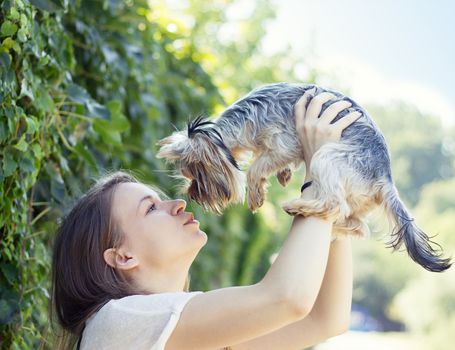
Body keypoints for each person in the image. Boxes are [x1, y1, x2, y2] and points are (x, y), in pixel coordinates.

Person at [51, 89, 361, 350]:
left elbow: (324, 319)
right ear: (123, 256)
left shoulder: (182, 332)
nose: (177, 203)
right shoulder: (117, 322)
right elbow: (287, 298)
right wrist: (321, 173)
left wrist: (337, 193)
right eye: (151, 208)